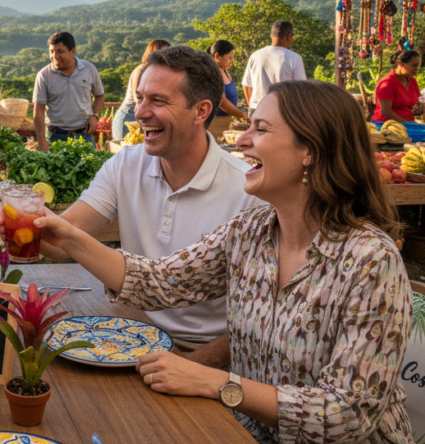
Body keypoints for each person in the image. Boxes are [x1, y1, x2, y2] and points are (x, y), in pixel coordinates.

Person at [35, 79, 412, 443]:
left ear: (309, 152)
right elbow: (159, 282)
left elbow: (348, 415)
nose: (243, 140)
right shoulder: (251, 231)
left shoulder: (371, 261)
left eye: (260, 130)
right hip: (242, 431)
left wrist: (216, 382)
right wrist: (67, 234)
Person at [28, 45, 262, 367]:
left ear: (201, 111)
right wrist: (17, 217)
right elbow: (60, 240)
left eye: (158, 101)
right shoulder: (125, 163)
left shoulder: (248, 191)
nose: (139, 113)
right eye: (140, 98)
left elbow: (256, 323)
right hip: (129, 333)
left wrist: (192, 367)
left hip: (205, 356)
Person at [33, 31, 105, 151]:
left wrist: (95, 116)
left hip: (84, 135)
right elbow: (38, 109)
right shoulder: (44, 75)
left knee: (91, 169)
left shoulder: (89, 69)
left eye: (60, 51)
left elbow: (99, 95)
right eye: (51, 51)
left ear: (73, 51)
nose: (55, 56)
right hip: (55, 136)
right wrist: (42, 141)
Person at [241, 20, 305, 113]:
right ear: (290, 36)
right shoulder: (294, 57)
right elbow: (300, 89)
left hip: (256, 109)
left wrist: (253, 107)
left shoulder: (255, 55)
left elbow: (247, 85)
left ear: (272, 36)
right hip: (282, 110)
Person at [112, 39, 170, 141]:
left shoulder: (155, 72)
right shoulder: (141, 70)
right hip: (128, 116)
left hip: (142, 116)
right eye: (163, 52)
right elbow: (137, 98)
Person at [371, 50, 421, 124]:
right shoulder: (387, 83)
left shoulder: (412, 81)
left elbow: (417, 105)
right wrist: (407, 124)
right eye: (414, 65)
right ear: (401, 64)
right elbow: (386, 111)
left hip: (408, 124)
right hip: (385, 125)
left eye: (418, 65)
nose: (417, 68)